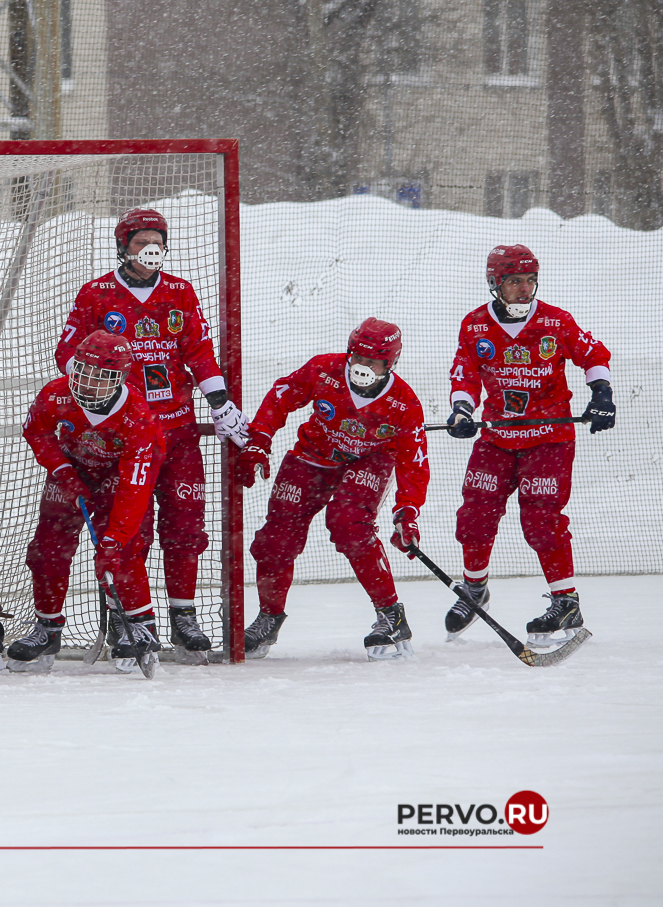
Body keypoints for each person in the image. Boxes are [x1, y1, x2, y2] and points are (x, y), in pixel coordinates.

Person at [53, 208, 247, 658]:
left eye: (156, 241)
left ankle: (184, 615)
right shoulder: (97, 293)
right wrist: (99, 396)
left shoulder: (180, 292)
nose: (149, 249)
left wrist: (220, 402)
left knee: (185, 524)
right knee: (128, 529)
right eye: (140, 241)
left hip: (177, 431)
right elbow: (67, 355)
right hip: (124, 437)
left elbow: (198, 351)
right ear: (123, 246)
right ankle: (126, 618)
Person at [442, 244, 614, 644]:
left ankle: (566, 601)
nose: (524, 288)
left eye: (530, 280)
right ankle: (474, 590)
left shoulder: (556, 321)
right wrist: (462, 410)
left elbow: (592, 355)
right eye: (515, 280)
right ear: (495, 283)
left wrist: (602, 394)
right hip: (497, 438)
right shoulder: (475, 325)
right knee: (474, 516)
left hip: (548, 439)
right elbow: (465, 373)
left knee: (541, 520)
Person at [236, 317, 429, 660]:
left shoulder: (404, 403)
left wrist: (407, 512)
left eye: (373, 362)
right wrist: (260, 438)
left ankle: (391, 615)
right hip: (314, 455)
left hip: (369, 461)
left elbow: (413, 463)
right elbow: (281, 396)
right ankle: (269, 617)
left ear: (390, 363)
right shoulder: (324, 370)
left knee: (348, 523)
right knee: (276, 537)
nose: (362, 367)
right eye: (358, 357)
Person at [12, 330, 166, 670]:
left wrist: (113, 541)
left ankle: (139, 628)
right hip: (72, 469)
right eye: (83, 371)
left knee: (124, 550)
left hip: (118, 475)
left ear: (119, 379)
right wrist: (64, 472)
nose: (88, 383)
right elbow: (36, 432)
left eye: (100, 376)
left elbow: (134, 487)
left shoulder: (138, 417)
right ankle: (47, 627)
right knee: (47, 550)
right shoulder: (56, 393)